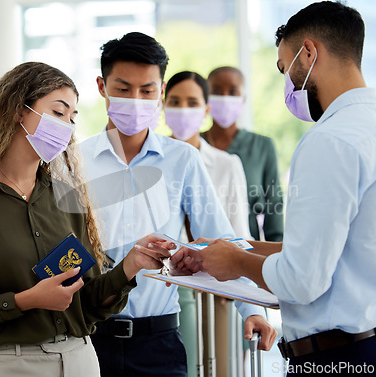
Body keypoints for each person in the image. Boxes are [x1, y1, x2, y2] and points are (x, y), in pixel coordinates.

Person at [172, 1, 376, 374]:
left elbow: (302, 280)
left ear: (309, 52)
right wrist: (239, 246)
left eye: (285, 68)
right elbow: (340, 248)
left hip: (338, 359)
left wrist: (236, 262)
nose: (288, 84)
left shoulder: (330, 140)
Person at [0, 62, 176, 377]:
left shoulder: (69, 198)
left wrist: (131, 264)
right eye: (58, 112)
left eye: (72, 117)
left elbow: (87, 303)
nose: (67, 125)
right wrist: (24, 301)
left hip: (81, 358)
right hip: (12, 364)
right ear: (17, 111)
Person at [80, 32, 276, 377]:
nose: (136, 100)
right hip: (89, 341)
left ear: (161, 89)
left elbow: (219, 237)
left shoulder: (182, 159)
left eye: (147, 90)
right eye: (123, 90)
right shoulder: (75, 161)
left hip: (160, 343)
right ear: (101, 86)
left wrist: (251, 310)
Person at [164, 70, 260, 377]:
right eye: (175, 101)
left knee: (223, 366)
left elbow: (238, 234)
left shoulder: (227, 164)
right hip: (169, 289)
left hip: (220, 288)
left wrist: (246, 296)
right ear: (163, 106)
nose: (183, 109)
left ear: (206, 109)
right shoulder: (152, 163)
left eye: (192, 102)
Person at [203, 66, 284, 242]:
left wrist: (274, 256)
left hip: (246, 249)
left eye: (232, 91)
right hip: (195, 248)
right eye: (216, 91)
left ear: (243, 99)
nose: (225, 98)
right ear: (205, 98)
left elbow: (274, 205)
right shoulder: (194, 146)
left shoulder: (262, 146)